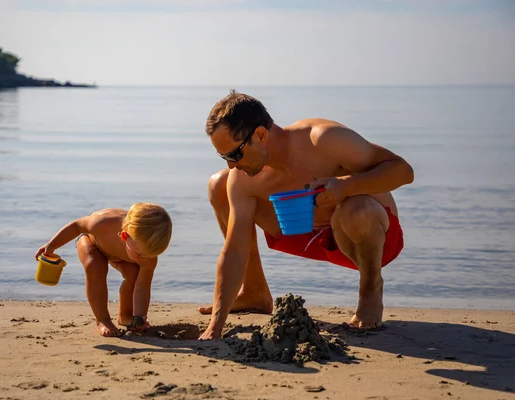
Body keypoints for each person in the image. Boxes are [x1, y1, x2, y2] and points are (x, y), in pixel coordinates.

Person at [198, 90, 414, 340]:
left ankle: (370, 290)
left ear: (260, 134)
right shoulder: (242, 178)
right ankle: (254, 291)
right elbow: (234, 250)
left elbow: (403, 171)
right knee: (220, 184)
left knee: (357, 209)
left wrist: (346, 186)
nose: (231, 164)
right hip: (305, 230)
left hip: (370, 236)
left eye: (234, 155)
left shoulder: (324, 140)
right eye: (224, 156)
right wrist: (215, 327)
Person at [35, 203, 173, 337]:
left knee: (134, 274)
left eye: (151, 255)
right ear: (125, 236)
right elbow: (77, 226)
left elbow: (142, 287)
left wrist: (140, 318)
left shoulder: (147, 256)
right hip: (93, 243)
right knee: (94, 265)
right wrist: (52, 245)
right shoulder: (102, 223)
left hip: (118, 256)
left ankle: (125, 316)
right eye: (140, 254)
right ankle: (102, 320)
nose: (145, 258)